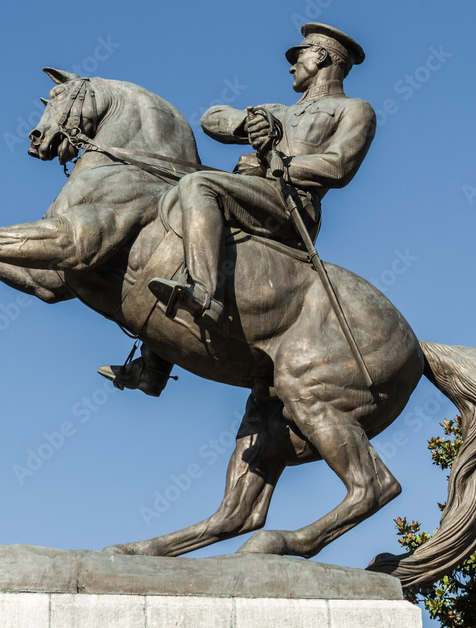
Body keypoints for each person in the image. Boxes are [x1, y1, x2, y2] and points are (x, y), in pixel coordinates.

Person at [101, 22, 376, 396]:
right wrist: (248, 122)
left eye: (299, 55)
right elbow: (212, 117)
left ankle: (203, 294)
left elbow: (339, 166)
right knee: (182, 222)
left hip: (291, 205)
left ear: (323, 56)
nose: (292, 64)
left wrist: (283, 163)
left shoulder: (354, 110)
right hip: (253, 194)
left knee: (199, 185)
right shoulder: (277, 110)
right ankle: (152, 368)